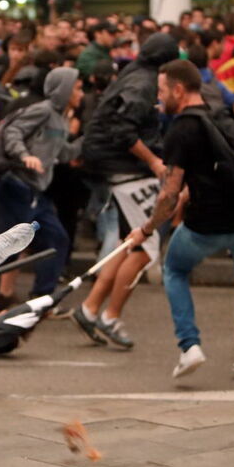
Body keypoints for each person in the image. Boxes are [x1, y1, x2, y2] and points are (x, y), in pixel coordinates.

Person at [126, 60, 234, 390]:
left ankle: (189, 345)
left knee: (174, 270)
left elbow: (169, 192)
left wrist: (147, 229)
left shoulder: (181, 129)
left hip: (204, 225)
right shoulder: (219, 113)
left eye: (162, 91)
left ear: (179, 90)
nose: (158, 98)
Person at [73, 33, 178, 348]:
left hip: (109, 163)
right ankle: (110, 317)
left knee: (127, 241)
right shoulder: (143, 84)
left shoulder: (135, 73)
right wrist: (155, 163)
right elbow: (123, 128)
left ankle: (91, 309)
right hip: (125, 167)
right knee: (145, 246)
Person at [0, 67, 84, 304]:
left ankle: (42, 297)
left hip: (35, 190)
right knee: (14, 241)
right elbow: (13, 131)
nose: (80, 93)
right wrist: (24, 156)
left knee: (56, 238)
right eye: (77, 88)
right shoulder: (42, 111)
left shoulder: (61, 119)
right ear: (64, 90)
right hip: (17, 184)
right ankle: (2, 297)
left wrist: (88, 142)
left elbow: (62, 153)